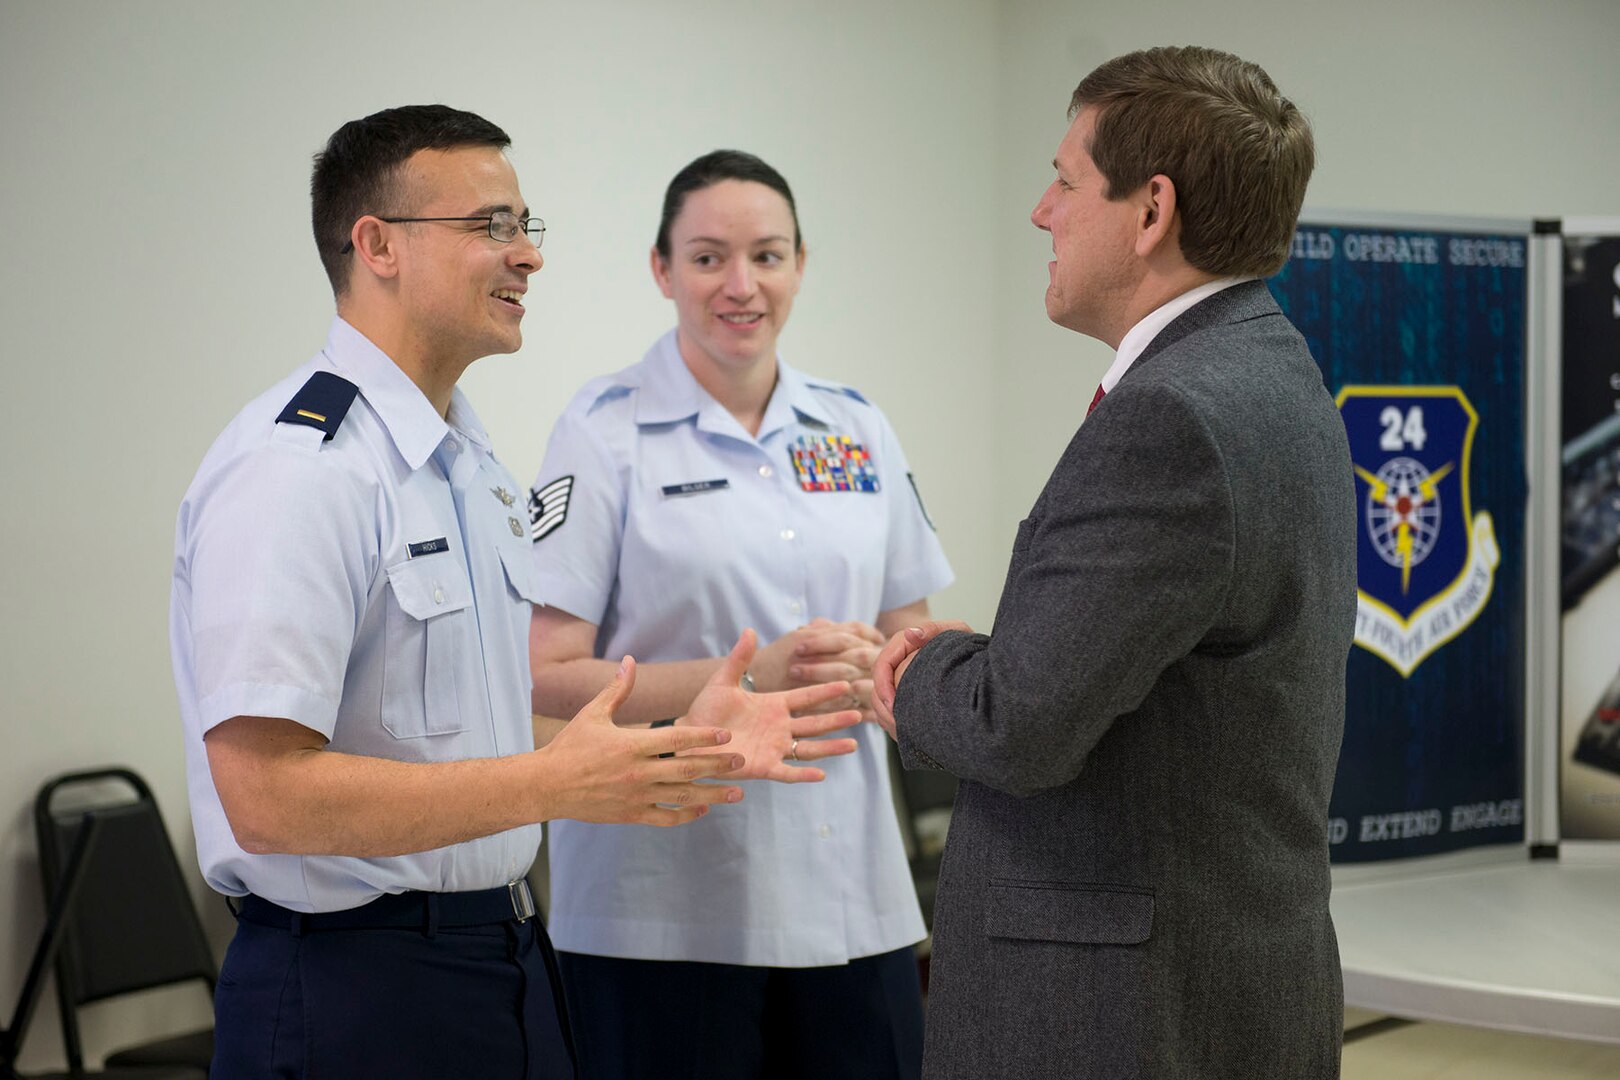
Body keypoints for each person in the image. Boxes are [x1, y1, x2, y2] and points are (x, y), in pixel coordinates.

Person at [169, 107, 860, 1080]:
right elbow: (266, 796)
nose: (527, 256)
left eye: (526, 226)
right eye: (490, 227)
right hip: (349, 986)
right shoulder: (303, 468)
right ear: (377, 247)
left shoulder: (469, 464)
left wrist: (667, 744)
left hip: (497, 961)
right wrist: (551, 786)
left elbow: (481, 728)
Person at [871, 47, 1357, 1079]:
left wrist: (915, 674)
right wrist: (1004, 665)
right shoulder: (1272, 369)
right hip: (1224, 977)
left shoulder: (1171, 418)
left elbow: (1018, 728)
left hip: (1117, 1014)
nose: (1041, 212)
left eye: (1062, 180)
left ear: (1150, 213)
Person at [526, 149, 953, 1079]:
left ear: (801, 263)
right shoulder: (603, 431)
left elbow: (909, 636)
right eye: (709, 256)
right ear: (662, 270)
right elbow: (546, 674)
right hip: (661, 910)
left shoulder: (856, 427)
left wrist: (921, 664)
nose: (741, 284)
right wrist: (750, 673)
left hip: (853, 896)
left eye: (767, 255)